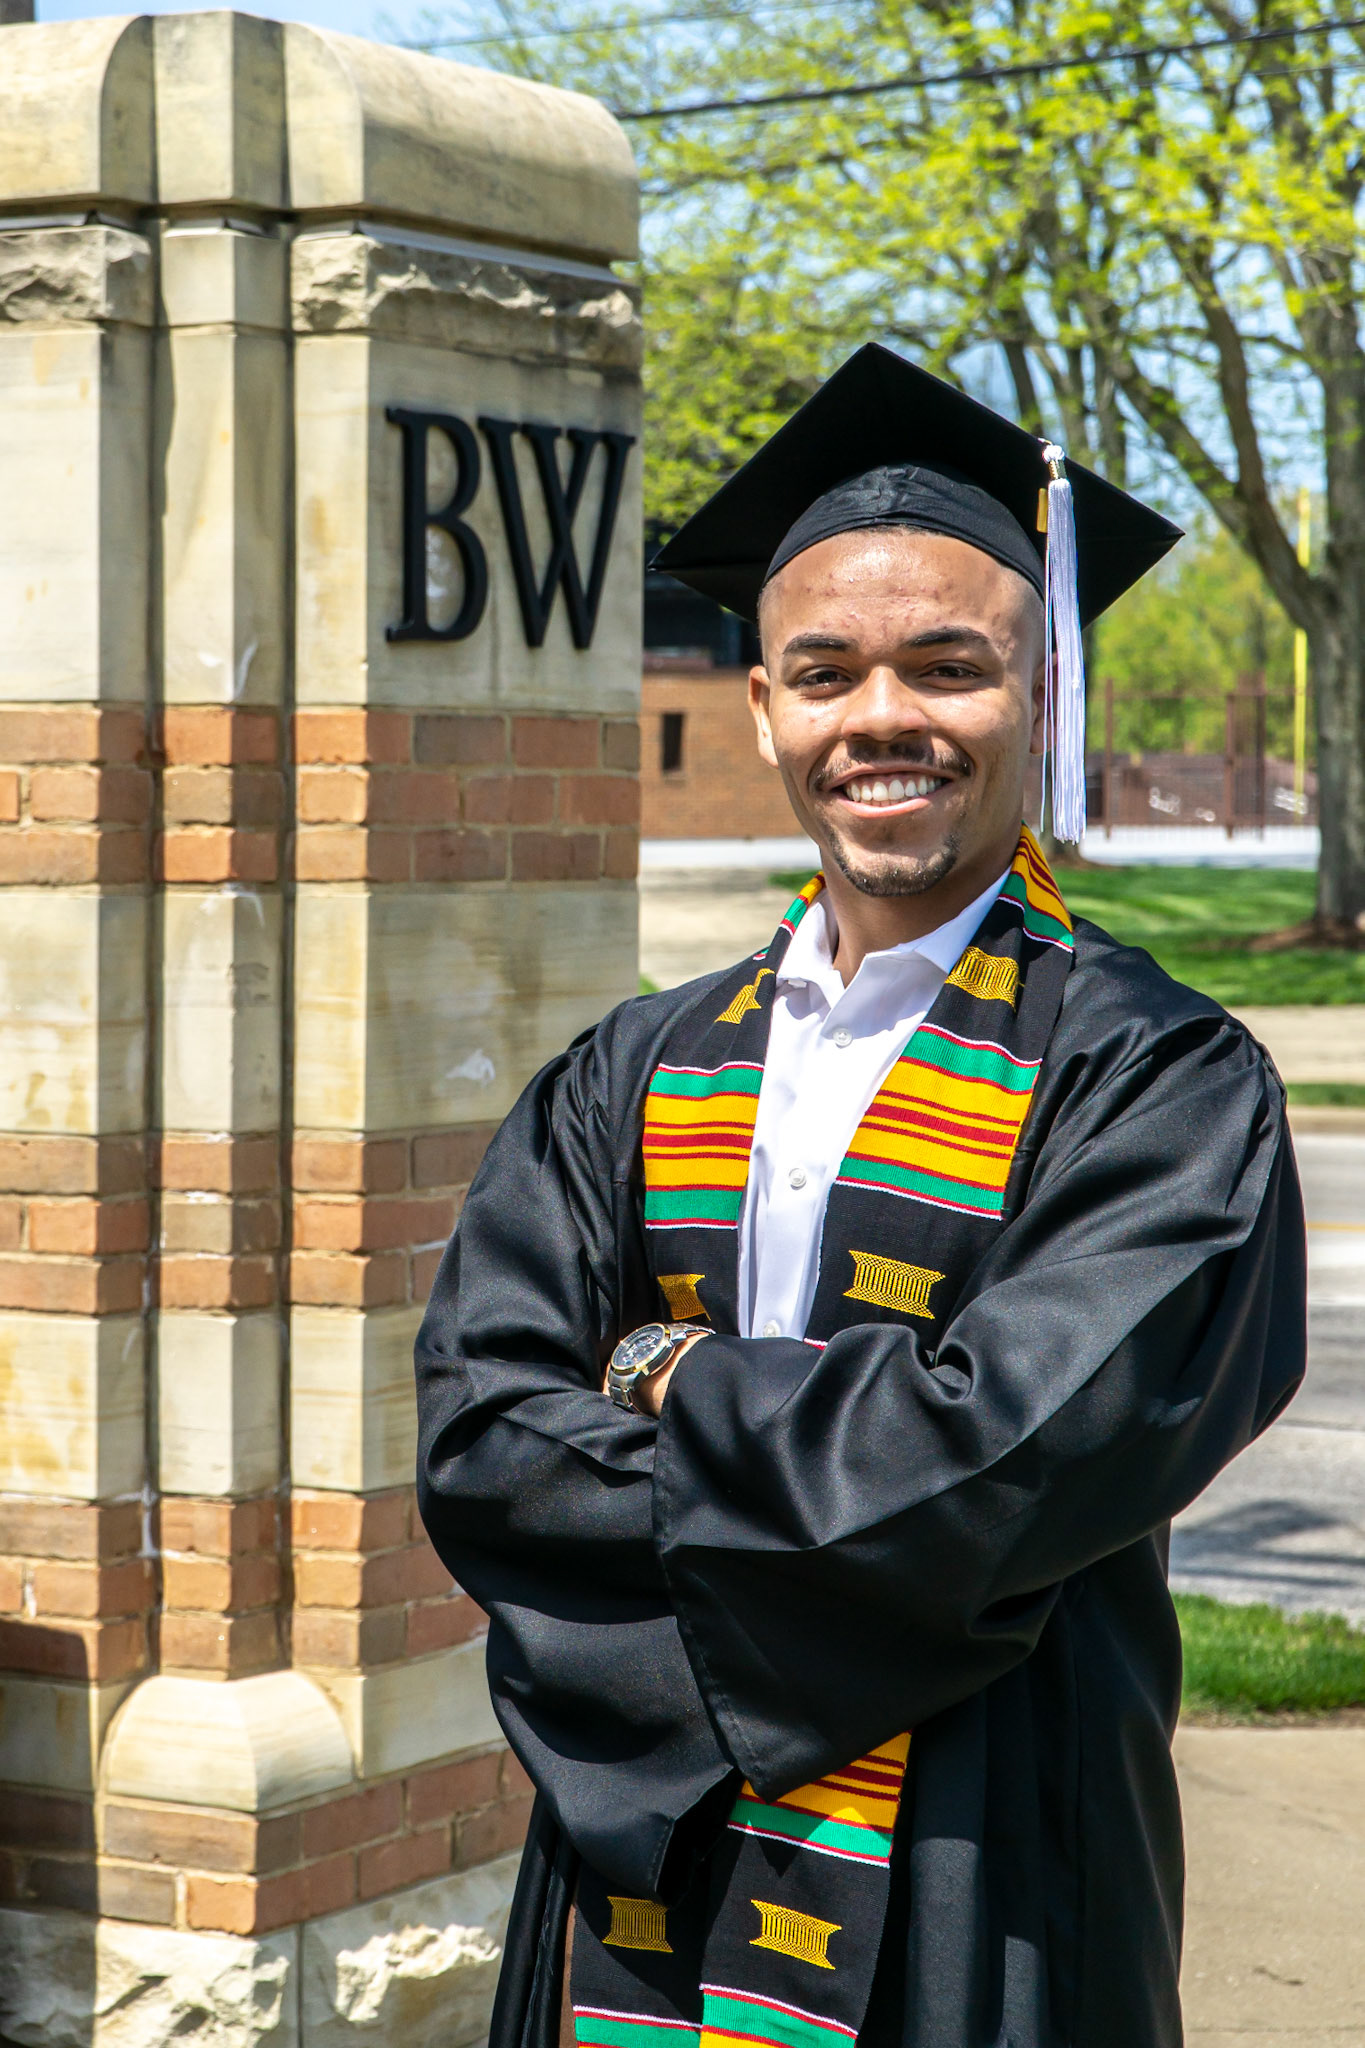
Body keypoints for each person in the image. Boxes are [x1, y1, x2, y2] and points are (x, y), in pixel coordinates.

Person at [415, 345, 1306, 2048]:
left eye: (947, 666)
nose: (880, 717)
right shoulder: (631, 1068)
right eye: (824, 673)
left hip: (990, 1841)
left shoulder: (1164, 1081)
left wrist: (658, 1370)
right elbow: (481, 1442)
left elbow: (1000, 1470)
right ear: (762, 706)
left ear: (1041, 687)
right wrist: (832, 1463)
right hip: (648, 1849)